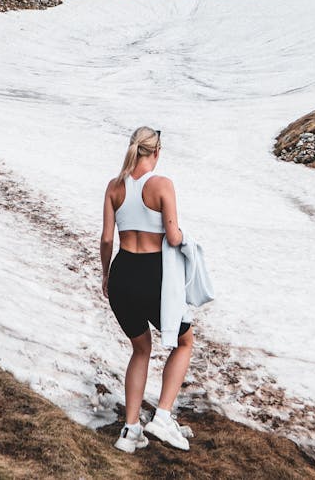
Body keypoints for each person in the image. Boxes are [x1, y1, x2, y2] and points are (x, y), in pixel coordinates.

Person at [100, 126, 194, 454]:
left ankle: (130, 430)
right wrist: (183, 237)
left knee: (140, 349)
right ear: (156, 152)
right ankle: (163, 416)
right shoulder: (161, 185)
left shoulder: (114, 187)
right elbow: (173, 237)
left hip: (123, 273)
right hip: (153, 275)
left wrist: (106, 275)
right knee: (184, 342)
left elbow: (107, 239)